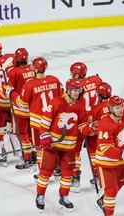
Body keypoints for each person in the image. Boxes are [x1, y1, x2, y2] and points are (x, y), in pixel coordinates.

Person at [35, 79, 95, 210]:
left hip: (69, 147)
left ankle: (64, 196)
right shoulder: (56, 102)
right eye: (73, 90)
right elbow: (44, 123)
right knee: (46, 171)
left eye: (78, 90)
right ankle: (40, 195)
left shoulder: (80, 104)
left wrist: (89, 130)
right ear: (67, 90)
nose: (76, 93)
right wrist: (45, 136)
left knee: (68, 173)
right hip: (53, 146)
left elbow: (82, 124)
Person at [17, 57, 63, 173]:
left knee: (39, 148)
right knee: (54, 145)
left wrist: (12, 94)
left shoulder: (29, 84)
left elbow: (22, 104)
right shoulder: (54, 80)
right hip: (53, 120)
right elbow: (62, 96)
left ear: (36, 70)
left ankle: (43, 171)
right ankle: (57, 168)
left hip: (38, 122)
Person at [95, 96, 124, 216]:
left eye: (121, 107)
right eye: (117, 108)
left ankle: (102, 200)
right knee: (111, 191)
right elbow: (105, 148)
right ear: (110, 109)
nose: (120, 110)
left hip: (121, 163)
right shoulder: (105, 123)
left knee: (119, 185)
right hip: (106, 164)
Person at [7, 48, 36, 169]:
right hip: (34, 107)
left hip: (21, 108)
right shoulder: (33, 69)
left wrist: (7, 89)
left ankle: (27, 158)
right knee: (32, 133)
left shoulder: (13, 72)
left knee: (23, 134)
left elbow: (9, 89)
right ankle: (35, 155)